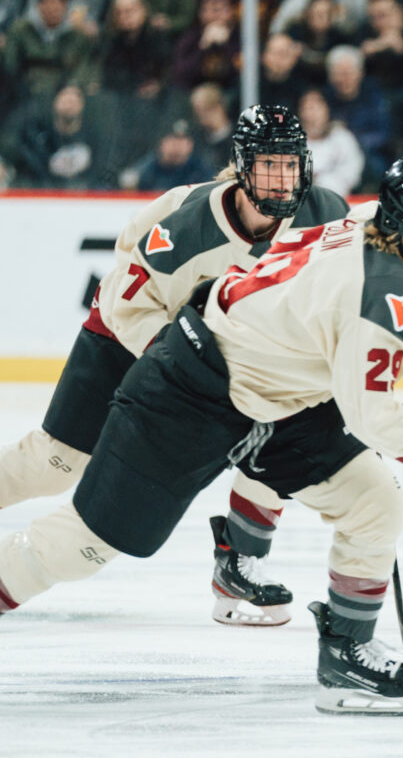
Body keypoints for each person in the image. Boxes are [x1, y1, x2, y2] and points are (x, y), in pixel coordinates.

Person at [0, 155, 403, 716]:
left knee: (374, 502)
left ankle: (346, 656)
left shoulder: (369, 219)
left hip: (271, 394)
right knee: (90, 543)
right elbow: (373, 417)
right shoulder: (387, 299)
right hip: (189, 387)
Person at [0, 105, 349, 627]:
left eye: (290, 165)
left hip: (218, 351)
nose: (281, 181)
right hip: (126, 334)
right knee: (57, 465)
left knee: (287, 427)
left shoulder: (326, 214)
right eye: (268, 165)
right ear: (242, 167)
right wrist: (185, 362)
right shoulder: (188, 225)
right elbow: (127, 303)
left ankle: (239, 560)